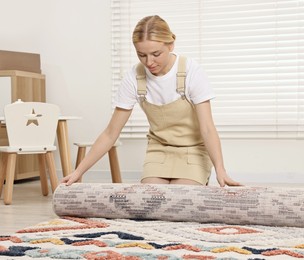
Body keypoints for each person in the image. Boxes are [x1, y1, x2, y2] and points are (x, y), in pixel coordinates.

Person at [61, 15, 241, 187]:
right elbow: (110, 133)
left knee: (180, 199)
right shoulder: (133, 78)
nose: (149, 62)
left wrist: (220, 170)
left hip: (193, 150)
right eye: (142, 55)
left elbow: (208, 128)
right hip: (159, 149)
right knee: (152, 199)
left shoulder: (191, 71)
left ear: (171, 45)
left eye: (156, 54)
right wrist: (78, 172)